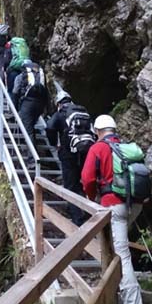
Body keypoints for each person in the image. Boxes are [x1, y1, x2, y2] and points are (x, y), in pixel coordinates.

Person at [82, 114, 147, 304]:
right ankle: (116, 291)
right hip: (134, 205)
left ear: (97, 131)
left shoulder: (98, 148)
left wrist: (92, 199)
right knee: (117, 247)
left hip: (113, 205)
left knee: (122, 255)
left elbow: (87, 179)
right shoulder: (126, 148)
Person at [46, 91, 94, 226]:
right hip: (85, 153)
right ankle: (86, 212)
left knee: (70, 186)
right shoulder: (82, 112)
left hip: (68, 154)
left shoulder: (61, 113)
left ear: (58, 103)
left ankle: (78, 220)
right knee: (82, 183)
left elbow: (49, 127)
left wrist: (54, 143)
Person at [12, 59, 49, 147]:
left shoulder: (20, 77)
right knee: (31, 126)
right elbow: (46, 92)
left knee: (28, 130)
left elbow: (15, 92)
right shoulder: (40, 76)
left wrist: (14, 108)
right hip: (39, 104)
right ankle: (33, 148)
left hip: (27, 103)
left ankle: (32, 154)